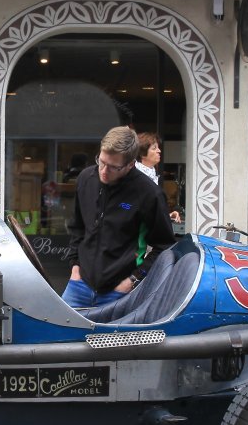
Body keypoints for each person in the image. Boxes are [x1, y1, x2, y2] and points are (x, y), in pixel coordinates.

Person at [64, 126, 174, 311]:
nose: (104, 171)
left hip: (119, 292)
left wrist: (133, 280)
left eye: (114, 167)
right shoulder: (85, 179)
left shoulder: (148, 193)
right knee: (58, 329)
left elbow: (164, 246)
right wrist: (75, 266)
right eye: (101, 162)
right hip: (78, 284)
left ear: (130, 164)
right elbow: (78, 227)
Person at [133, 131, 182, 225]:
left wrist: (167, 216)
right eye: (154, 148)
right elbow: (131, 207)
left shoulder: (151, 175)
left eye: (158, 147)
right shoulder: (134, 176)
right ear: (142, 153)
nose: (159, 151)